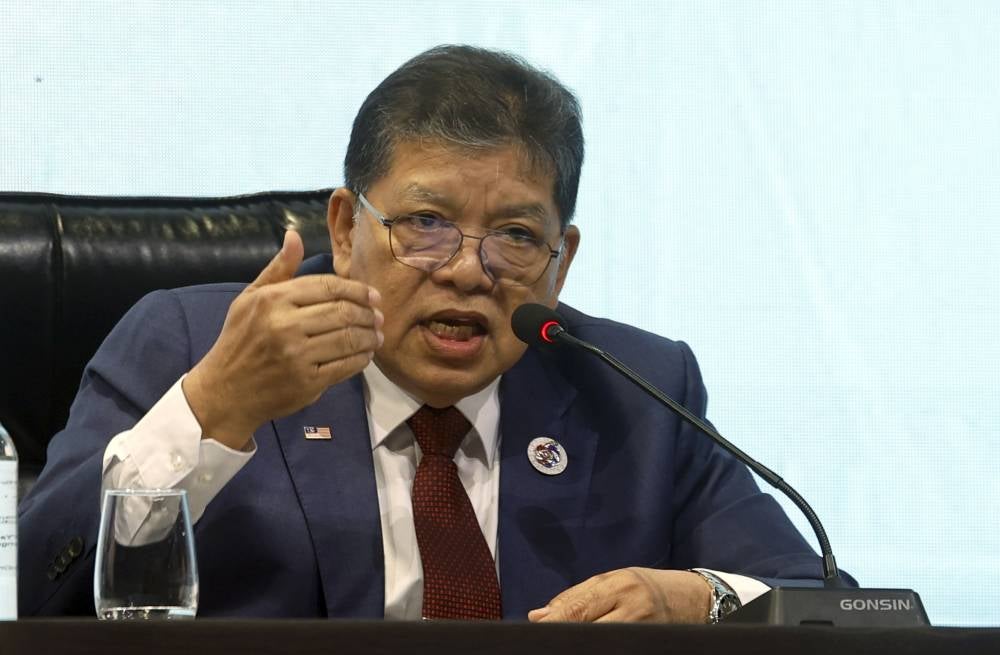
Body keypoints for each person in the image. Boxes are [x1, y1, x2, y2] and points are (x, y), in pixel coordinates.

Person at [18, 45, 828, 621]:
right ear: (345, 227)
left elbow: (833, 606)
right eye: (427, 223)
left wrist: (702, 601)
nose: (471, 271)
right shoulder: (192, 344)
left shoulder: (632, 388)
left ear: (561, 259)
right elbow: (31, 594)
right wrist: (212, 411)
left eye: (515, 235)